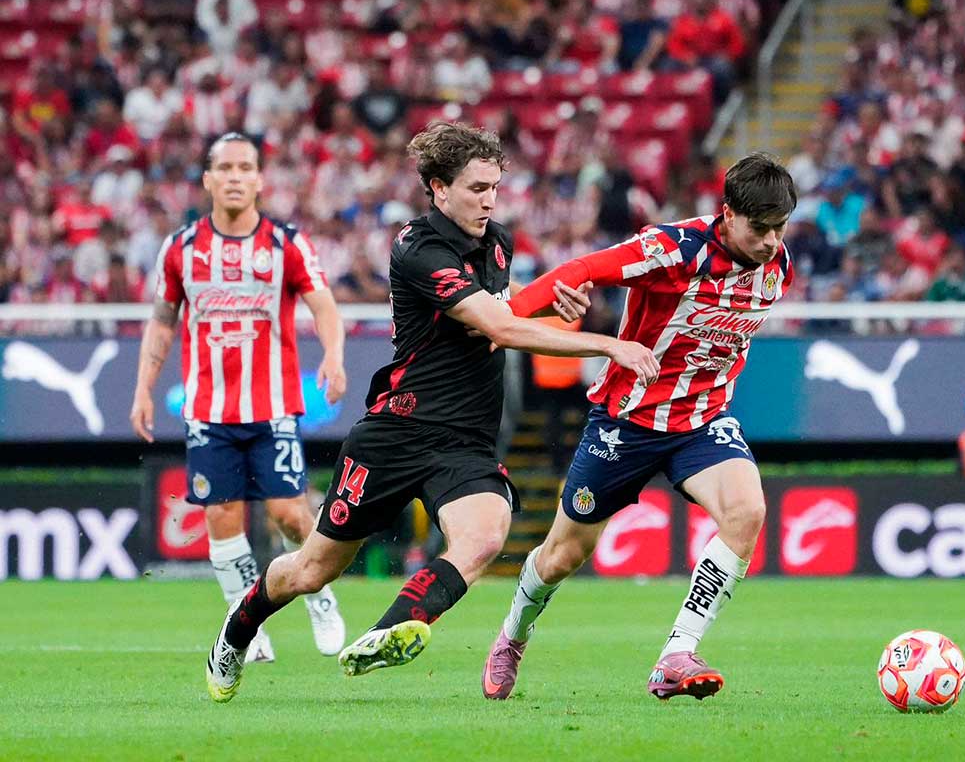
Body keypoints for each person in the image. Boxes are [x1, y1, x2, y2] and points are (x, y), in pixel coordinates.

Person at [204, 121, 659, 703]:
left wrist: (549, 304)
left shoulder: (498, 242)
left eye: (494, 186)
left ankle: (386, 632)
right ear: (439, 188)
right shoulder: (416, 247)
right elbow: (497, 326)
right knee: (312, 570)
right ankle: (236, 632)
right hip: (396, 431)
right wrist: (606, 342)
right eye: (475, 188)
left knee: (486, 535)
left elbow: (501, 313)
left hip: (464, 441)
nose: (489, 199)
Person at [482, 153, 798, 702]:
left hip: (703, 420)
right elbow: (581, 271)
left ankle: (677, 653)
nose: (772, 241)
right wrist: (502, 320)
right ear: (727, 213)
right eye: (760, 228)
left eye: (780, 228)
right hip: (624, 423)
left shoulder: (778, 266)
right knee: (563, 555)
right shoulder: (675, 249)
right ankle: (512, 635)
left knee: (747, 511)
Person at [130, 132, 348, 666]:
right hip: (208, 411)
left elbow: (324, 306)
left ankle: (318, 593)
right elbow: (162, 321)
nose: (233, 176)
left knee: (291, 515)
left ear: (258, 179)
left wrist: (334, 355)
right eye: (223, 167)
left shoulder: (286, 243)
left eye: (244, 167)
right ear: (207, 178)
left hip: (272, 406)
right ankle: (245, 626)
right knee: (222, 520)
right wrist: (143, 387)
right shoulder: (181, 248)